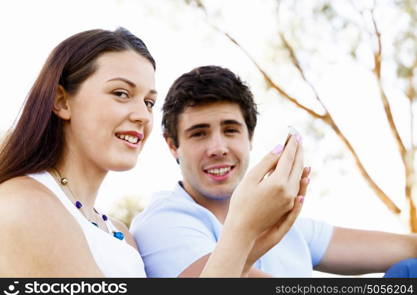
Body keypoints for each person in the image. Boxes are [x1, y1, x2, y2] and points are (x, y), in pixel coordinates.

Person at [0, 28, 307, 277]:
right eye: (121, 93)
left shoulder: (119, 233)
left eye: (148, 102)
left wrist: (251, 243)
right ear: (62, 101)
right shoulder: (26, 203)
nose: (143, 116)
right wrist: (241, 230)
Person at [130, 65, 417, 278]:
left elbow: (404, 248)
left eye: (230, 130)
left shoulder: (286, 222)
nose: (217, 148)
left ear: (250, 137)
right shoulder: (161, 222)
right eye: (198, 134)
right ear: (172, 146)